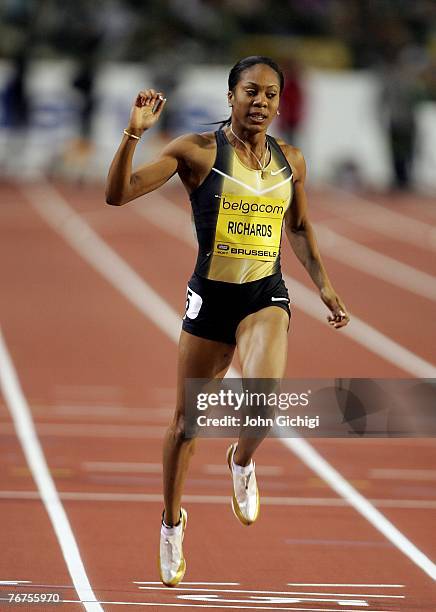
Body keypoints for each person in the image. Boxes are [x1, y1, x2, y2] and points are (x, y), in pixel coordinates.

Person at [105, 56, 350, 587]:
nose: (259, 103)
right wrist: (133, 134)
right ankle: (172, 523)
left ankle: (241, 460)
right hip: (211, 301)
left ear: (279, 103)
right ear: (230, 96)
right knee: (186, 423)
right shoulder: (196, 151)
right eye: (249, 92)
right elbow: (117, 194)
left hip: (265, 295)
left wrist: (325, 287)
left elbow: (301, 227)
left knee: (263, 399)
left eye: (269, 94)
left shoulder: (292, 162)